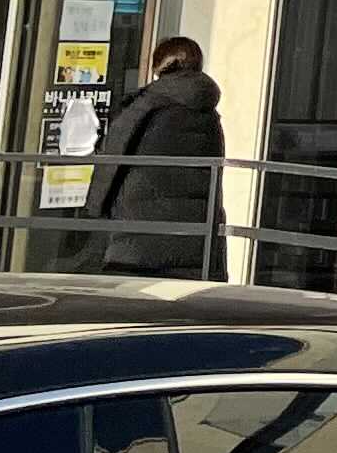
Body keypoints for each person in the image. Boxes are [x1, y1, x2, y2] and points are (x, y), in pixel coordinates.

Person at [74, 35, 226, 278]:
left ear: (161, 65)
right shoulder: (207, 113)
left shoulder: (148, 103)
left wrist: (92, 212)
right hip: (195, 240)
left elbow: (113, 153)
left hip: (140, 235)